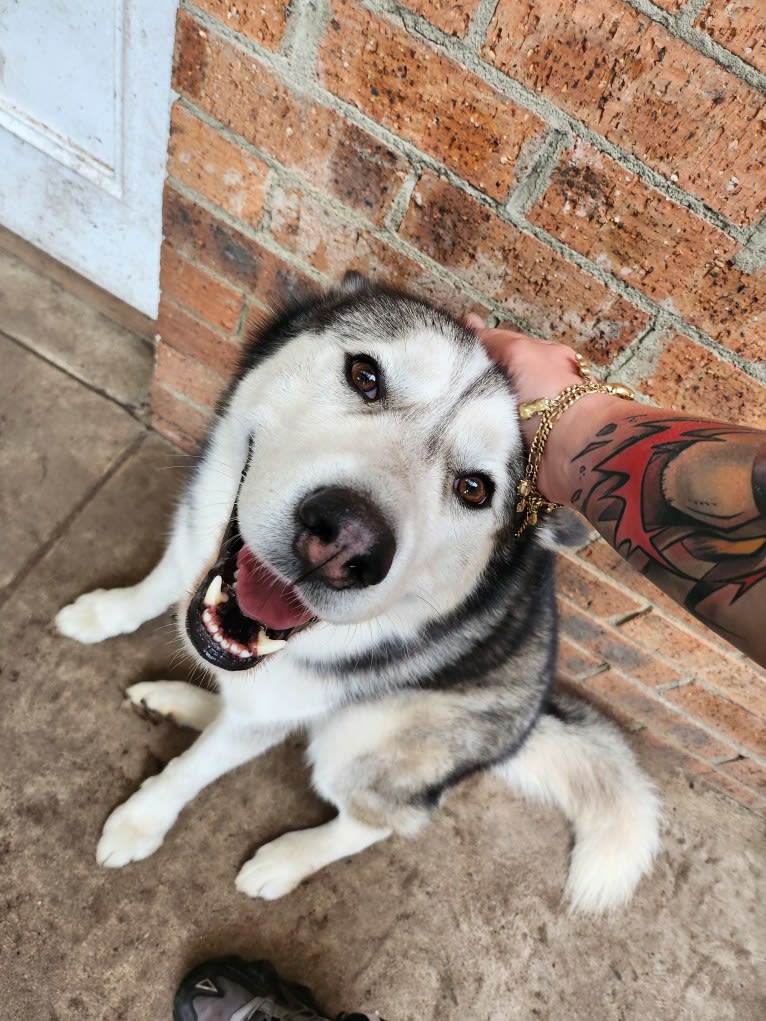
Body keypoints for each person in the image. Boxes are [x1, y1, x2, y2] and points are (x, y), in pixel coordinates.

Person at [173, 326, 766, 1021]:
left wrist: (572, 424)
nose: (349, 540)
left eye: (473, 486)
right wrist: (570, 422)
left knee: (347, 761)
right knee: (260, 681)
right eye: (367, 379)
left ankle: (346, 831)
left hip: (445, 705)